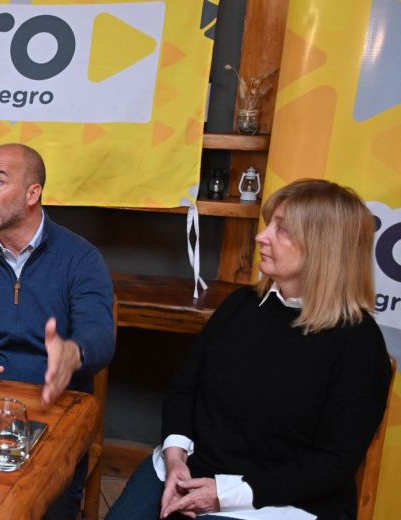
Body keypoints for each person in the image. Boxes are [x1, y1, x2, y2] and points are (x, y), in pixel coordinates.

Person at [107, 179, 392, 520]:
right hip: (185, 472)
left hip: (275, 502)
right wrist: (175, 454)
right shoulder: (241, 305)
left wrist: (224, 494)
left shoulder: (358, 343)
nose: (262, 237)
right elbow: (185, 388)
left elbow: (332, 463)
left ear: (323, 249)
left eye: (281, 230)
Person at [0, 143, 115, 518]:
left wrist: (73, 352)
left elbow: (99, 334)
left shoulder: (80, 258)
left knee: (40, 506)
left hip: (54, 409)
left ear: (33, 194)